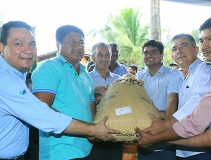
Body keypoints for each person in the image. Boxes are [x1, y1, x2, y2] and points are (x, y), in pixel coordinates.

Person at [0, 21, 119, 159]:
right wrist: (93, 130)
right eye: (18, 44)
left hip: (84, 147)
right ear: (2, 48)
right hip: (59, 152)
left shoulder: (85, 74)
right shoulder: (46, 69)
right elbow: (43, 112)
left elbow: (89, 106)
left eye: (32, 44)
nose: (28, 50)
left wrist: (95, 129)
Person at [135, 16, 211, 160]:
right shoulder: (179, 77)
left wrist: (163, 128)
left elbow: (198, 109)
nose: (179, 51)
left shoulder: (208, 70)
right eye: (174, 49)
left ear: (195, 50)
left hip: (201, 151)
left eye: (184, 46)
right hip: (187, 148)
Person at [164, 8, 211, 160]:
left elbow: (200, 113)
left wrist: (161, 132)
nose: (205, 46)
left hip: (201, 151)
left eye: (210, 39)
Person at [136, 40, 180, 160]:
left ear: (161, 54)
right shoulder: (138, 76)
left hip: (166, 142)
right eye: (146, 53)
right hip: (143, 140)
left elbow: (173, 98)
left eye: (154, 52)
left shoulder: (173, 74)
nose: (149, 55)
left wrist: (166, 125)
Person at [88, 42, 122, 160]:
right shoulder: (85, 80)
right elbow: (82, 107)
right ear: (93, 57)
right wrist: (97, 98)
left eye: (107, 55)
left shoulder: (119, 80)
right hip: (94, 136)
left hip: (116, 134)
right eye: (100, 55)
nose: (104, 58)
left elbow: (125, 105)